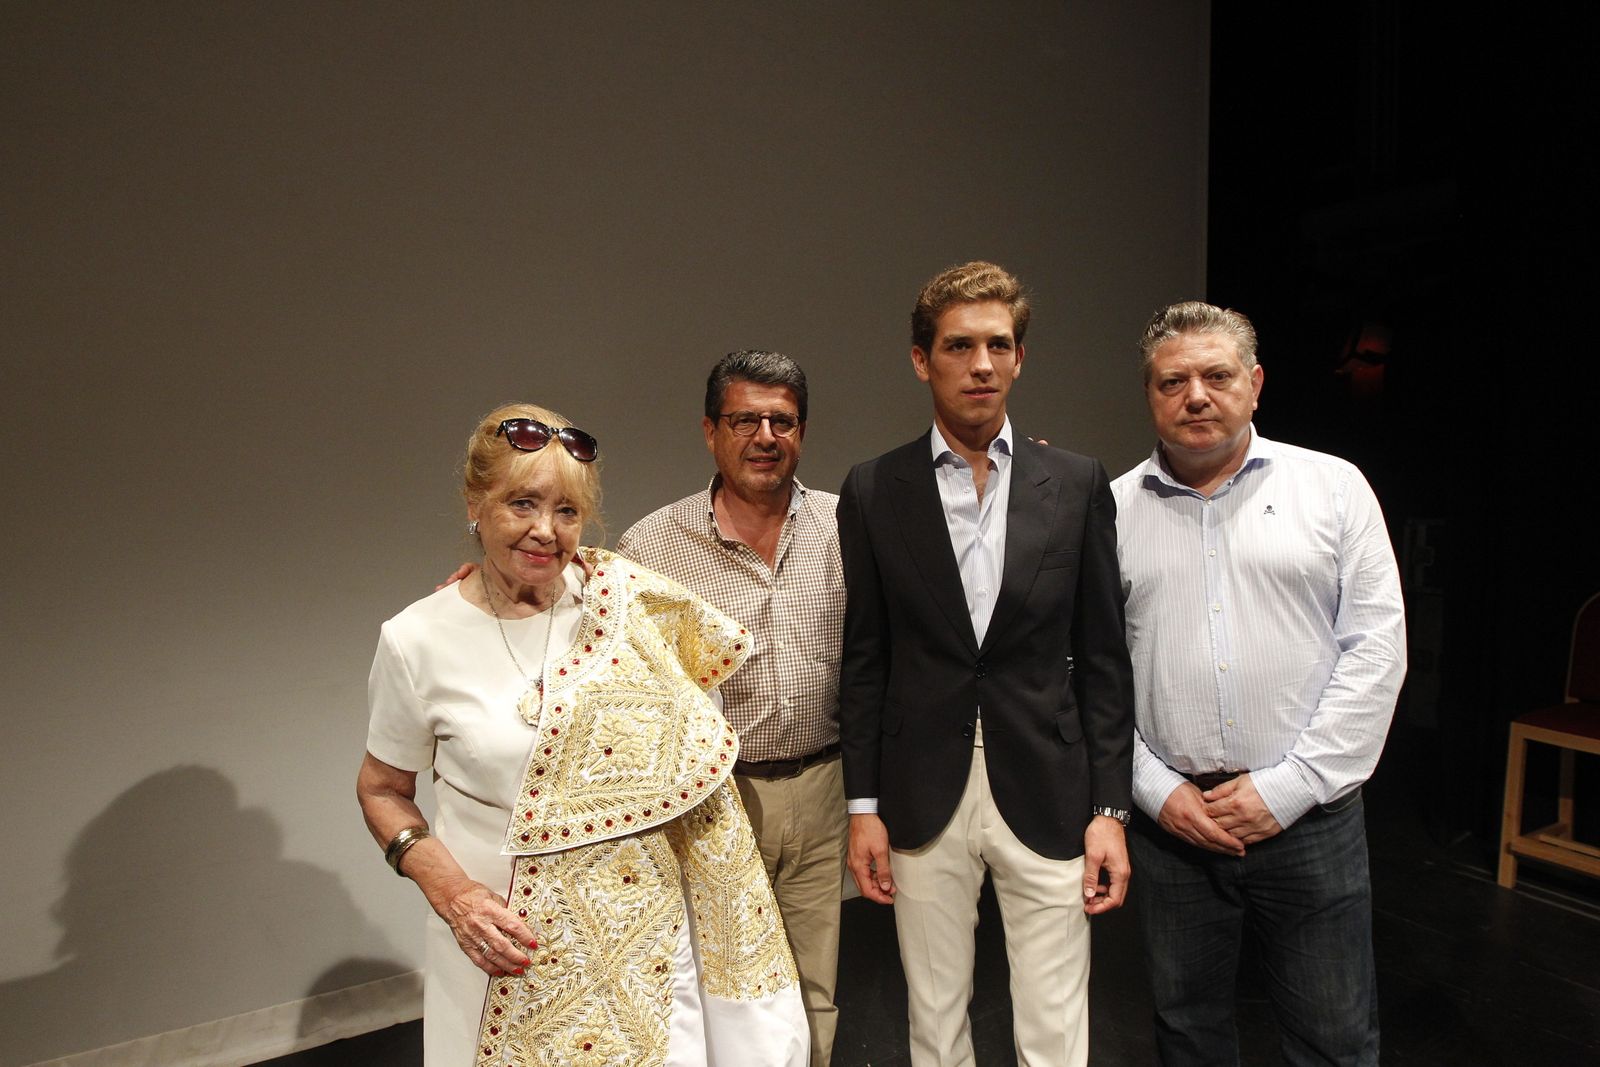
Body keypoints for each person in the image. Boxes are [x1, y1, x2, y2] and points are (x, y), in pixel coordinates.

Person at [356, 403, 807, 1067]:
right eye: (522, 503)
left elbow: (693, 754)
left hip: (644, 944)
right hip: (503, 944)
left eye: (566, 510)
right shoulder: (415, 639)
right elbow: (382, 790)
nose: (545, 530)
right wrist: (455, 897)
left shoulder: (624, 598)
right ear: (476, 505)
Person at [837, 261, 1136, 1067]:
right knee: (935, 1022)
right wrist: (863, 804)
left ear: (1020, 357)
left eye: (998, 345)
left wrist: (1111, 808)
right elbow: (865, 659)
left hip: (1049, 780)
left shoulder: (1074, 481)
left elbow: (1105, 658)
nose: (981, 364)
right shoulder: (875, 488)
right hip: (920, 786)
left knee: (1056, 1024)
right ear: (921, 358)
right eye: (959, 345)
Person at [1112, 302, 1406, 1066]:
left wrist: (1290, 786)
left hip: (1310, 816)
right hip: (1173, 825)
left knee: (1333, 1038)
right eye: (1173, 381)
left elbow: (1376, 648)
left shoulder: (1333, 488)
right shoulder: (1109, 511)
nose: (1196, 396)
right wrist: (1154, 789)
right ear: (1149, 393)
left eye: (1217, 375)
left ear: (1256, 382)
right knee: (1188, 1033)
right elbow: (1092, 672)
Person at [615, 350, 848, 1067]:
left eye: (783, 421)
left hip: (824, 786)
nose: (765, 437)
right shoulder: (652, 546)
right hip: (715, 802)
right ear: (710, 431)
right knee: (723, 993)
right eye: (745, 420)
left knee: (815, 986)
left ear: (802, 431)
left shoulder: (846, 526)